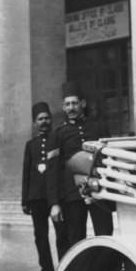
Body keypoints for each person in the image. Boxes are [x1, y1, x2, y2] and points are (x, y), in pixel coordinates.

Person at [48, 82, 114, 248]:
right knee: (76, 240)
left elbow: (109, 158)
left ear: (83, 104)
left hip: (99, 189)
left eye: (75, 103)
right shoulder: (58, 134)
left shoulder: (98, 127)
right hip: (72, 195)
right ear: (63, 107)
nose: (71, 108)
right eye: (68, 104)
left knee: (106, 235)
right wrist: (55, 203)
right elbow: (53, 171)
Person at [21, 102, 68, 271]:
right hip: (36, 197)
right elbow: (26, 173)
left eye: (47, 118)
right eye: (40, 119)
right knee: (40, 236)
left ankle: (63, 270)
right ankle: (46, 270)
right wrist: (25, 200)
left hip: (54, 195)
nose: (44, 122)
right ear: (35, 123)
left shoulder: (57, 139)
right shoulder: (30, 145)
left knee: (61, 233)